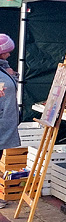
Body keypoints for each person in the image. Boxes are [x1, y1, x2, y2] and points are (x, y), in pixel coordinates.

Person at [0, 34, 19, 209]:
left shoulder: (4, 68)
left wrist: (13, 75)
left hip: (4, 123)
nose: (10, 55)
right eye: (7, 52)